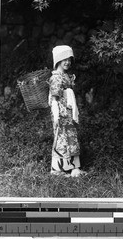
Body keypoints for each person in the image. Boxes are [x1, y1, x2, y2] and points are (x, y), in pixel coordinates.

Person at [48, 45, 86, 177]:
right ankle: (57, 169)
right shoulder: (56, 77)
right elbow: (54, 99)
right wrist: (57, 115)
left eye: (69, 59)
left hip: (68, 112)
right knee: (61, 138)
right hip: (61, 112)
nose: (67, 62)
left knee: (71, 138)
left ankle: (74, 167)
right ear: (58, 60)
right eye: (64, 59)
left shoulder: (66, 76)